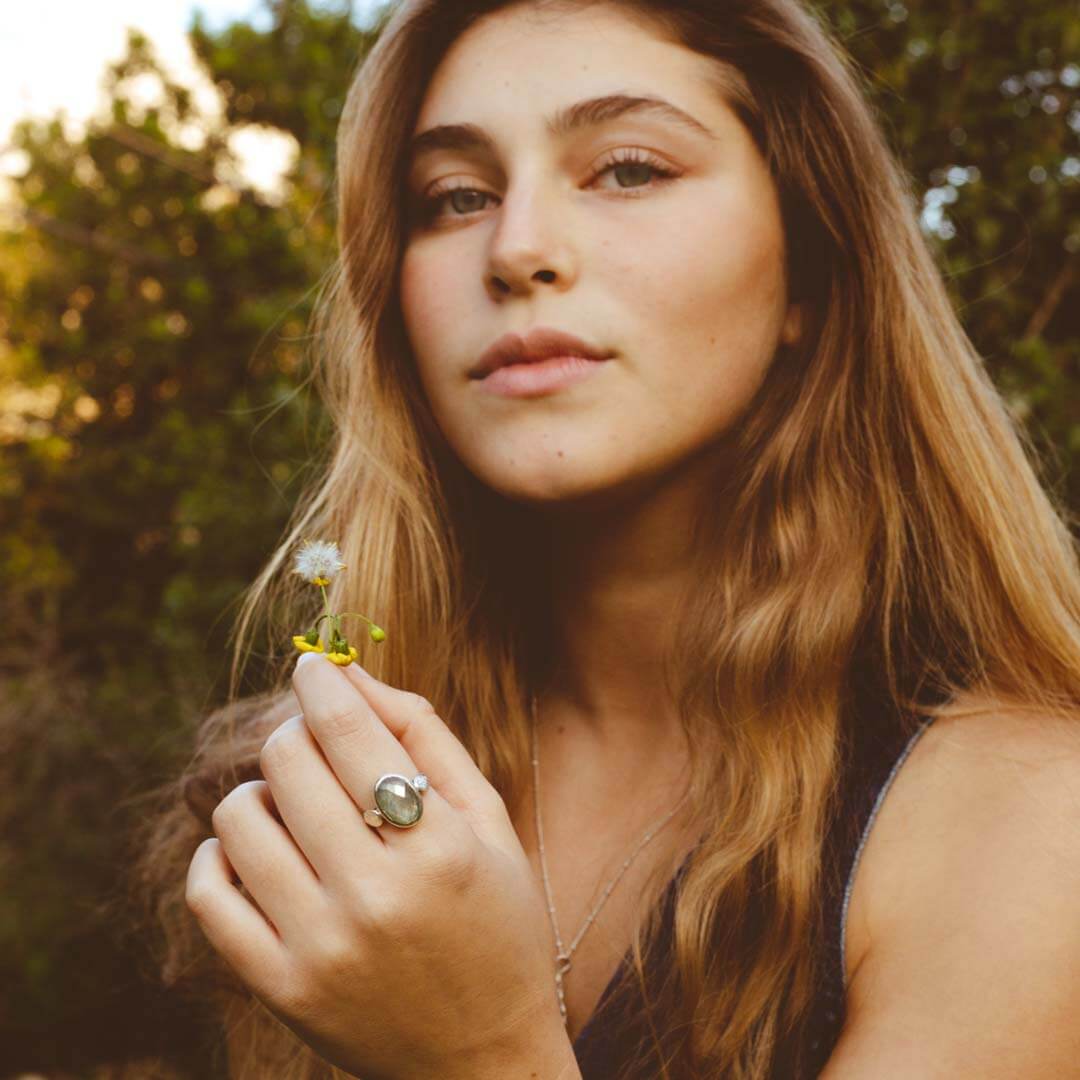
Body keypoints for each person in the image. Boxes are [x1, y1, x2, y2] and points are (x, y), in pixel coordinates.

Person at [128, 1, 1080, 1077]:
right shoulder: (299, 793)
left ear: (809, 273)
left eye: (628, 169)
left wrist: (485, 1057)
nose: (518, 246)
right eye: (455, 197)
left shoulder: (1030, 818)